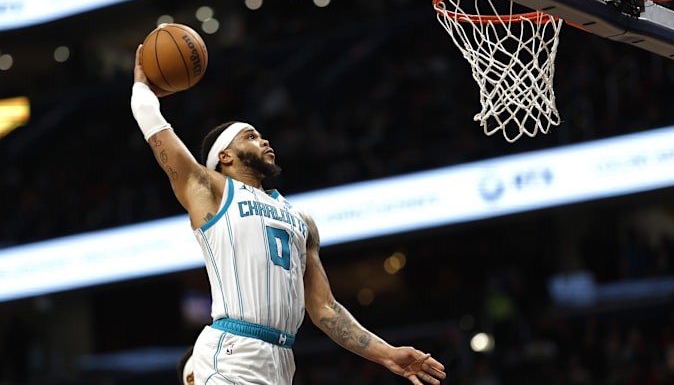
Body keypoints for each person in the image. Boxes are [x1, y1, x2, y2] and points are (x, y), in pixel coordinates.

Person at [130, 45, 446, 385]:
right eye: (251, 137)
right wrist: (141, 88)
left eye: (262, 135)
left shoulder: (301, 221)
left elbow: (326, 310)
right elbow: (158, 132)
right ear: (225, 156)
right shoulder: (210, 191)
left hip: (281, 360)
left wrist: (388, 354)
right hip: (233, 350)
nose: (264, 141)